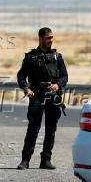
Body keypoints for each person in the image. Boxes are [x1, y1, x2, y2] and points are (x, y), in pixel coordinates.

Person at [17, 27, 68, 170]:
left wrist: (58, 85)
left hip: (53, 97)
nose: (51, 40)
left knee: (51, 130)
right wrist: (26, 88)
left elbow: (65, 76)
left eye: (52, 37)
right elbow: (21, 76)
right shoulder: (31, 57)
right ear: (40, 39)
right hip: (37, 96)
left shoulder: (57, 57)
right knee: (33, 129)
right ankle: (25, 160)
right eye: (48, 38)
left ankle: (46, 160)